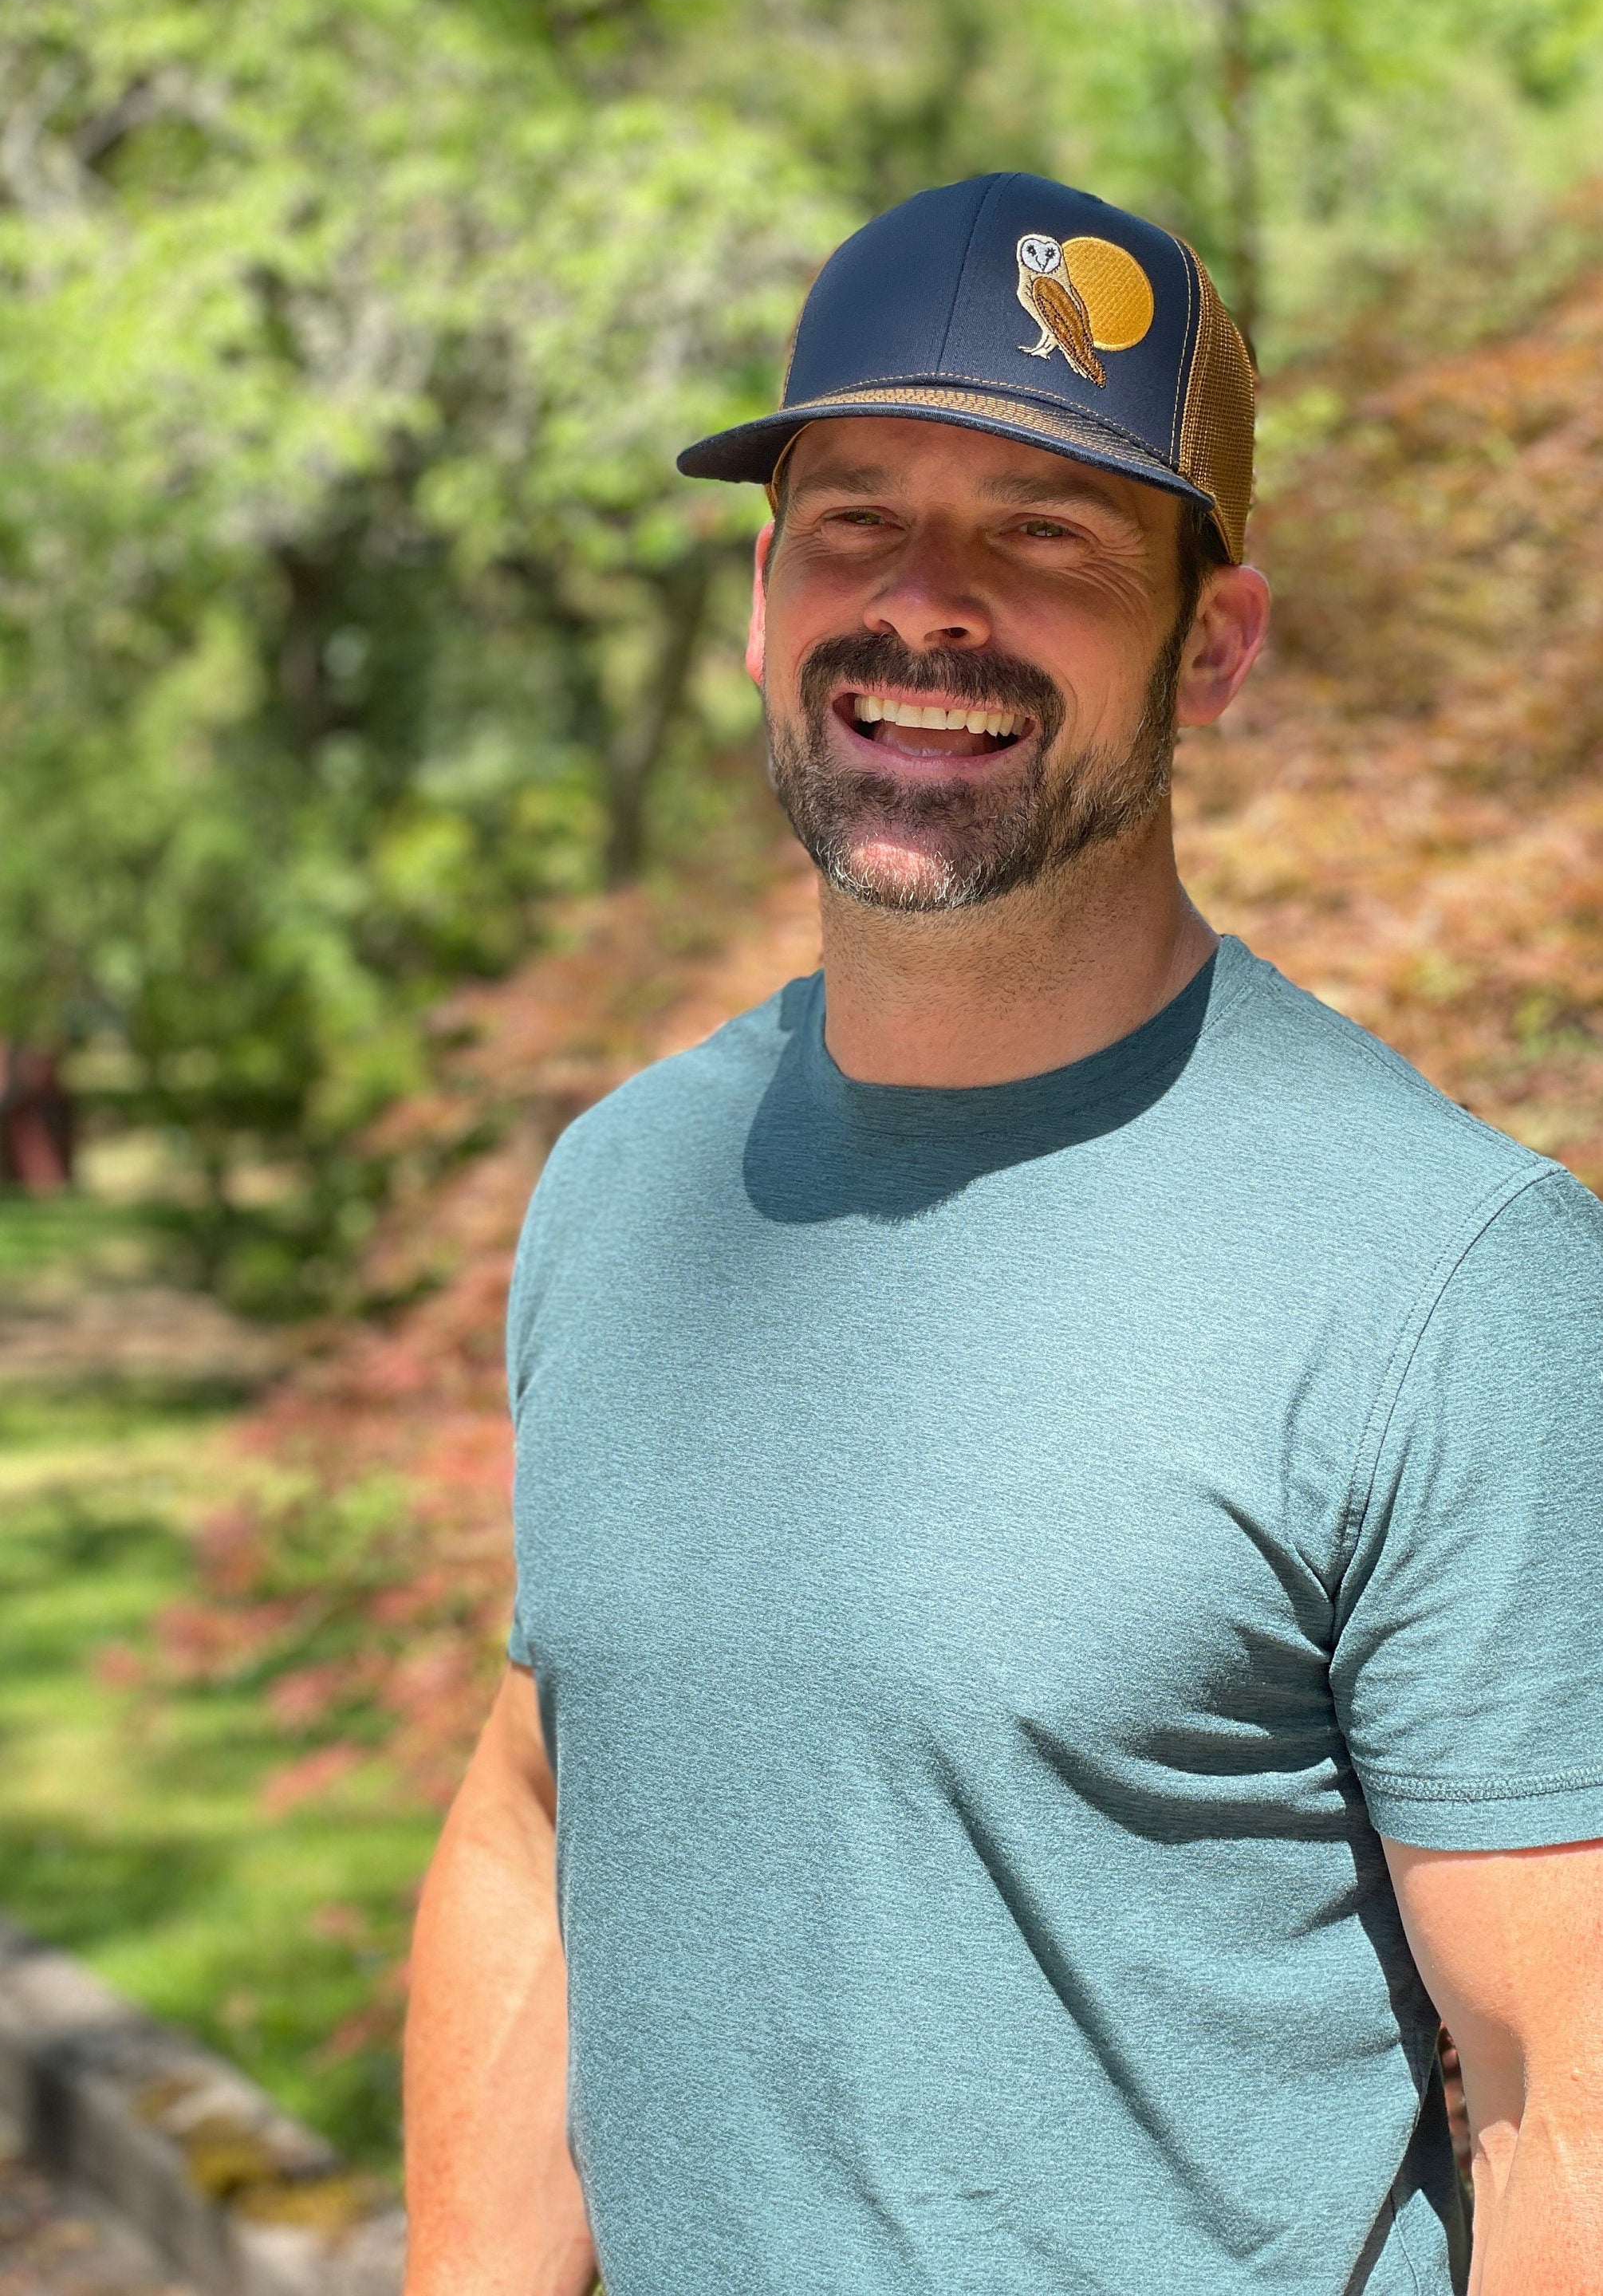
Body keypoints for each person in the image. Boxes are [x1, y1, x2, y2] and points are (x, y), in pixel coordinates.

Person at [402, 175, 1603, 2296]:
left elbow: (1562, 2106)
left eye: (1043, 531)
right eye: (857, 515)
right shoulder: (628, 1189)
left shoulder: (1445, 1278)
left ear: (1208, 645)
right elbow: (545, 1809)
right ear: (764, 600)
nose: (928, 605)